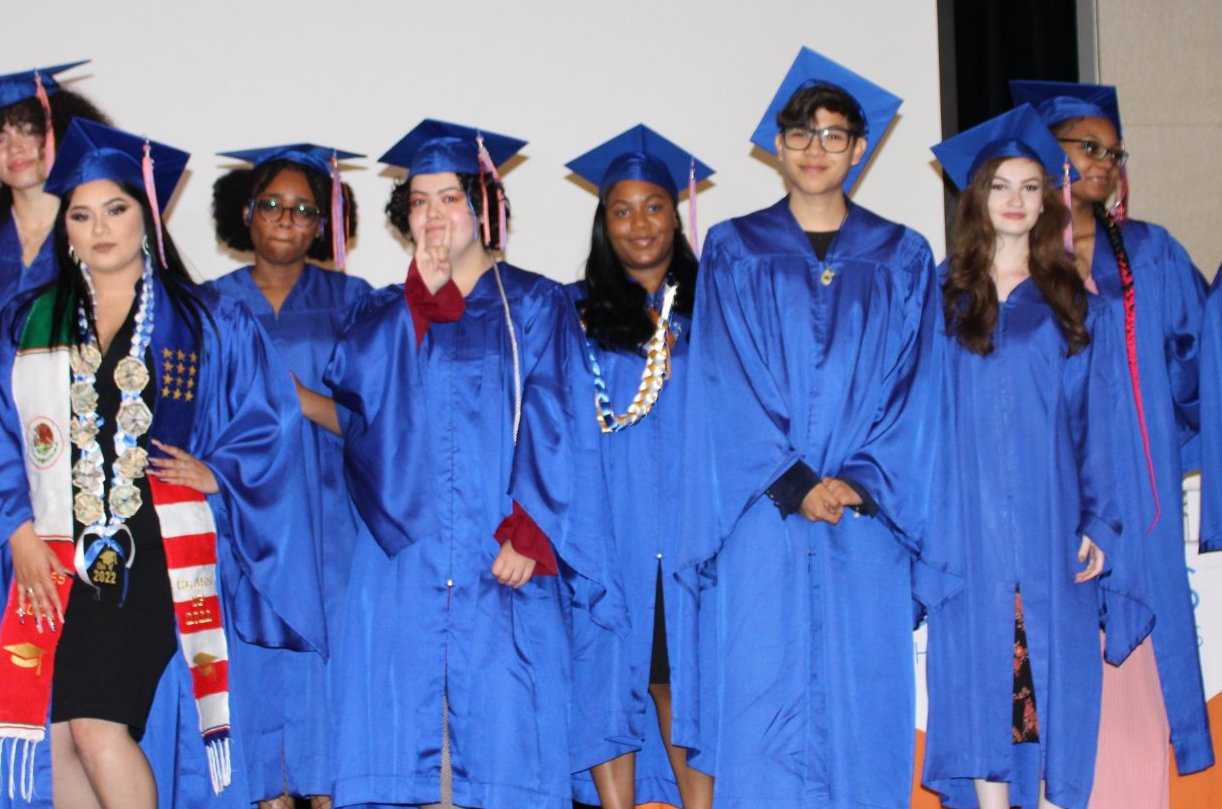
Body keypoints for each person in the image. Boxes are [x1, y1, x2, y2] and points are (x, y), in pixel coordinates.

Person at [0, 119, 324, 808]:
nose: (99, 228)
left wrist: (221, 473)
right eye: (81, 215)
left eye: (115, 209)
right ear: (67, 229)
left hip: (151, 552)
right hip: (53, 554)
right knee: (58, 732)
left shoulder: (205, 320)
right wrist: (18, 531)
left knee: (96, 723)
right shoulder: (28, 321)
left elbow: (271, 420)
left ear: (146, 215)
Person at [672, 48, 949, 808]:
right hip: (765, 512)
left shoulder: (903, 255)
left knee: (866, 708)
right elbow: (722, 382)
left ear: (859, 149)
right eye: (801, 134)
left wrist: (858, 479)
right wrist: (796, 481)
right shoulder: (732, 250)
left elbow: (917, 389)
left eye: (834, 135)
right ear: (777, 147)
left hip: (867, 519)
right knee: (764, 705)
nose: (817, 149)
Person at [323, 119, 628, 809]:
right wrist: (416, 304)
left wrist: (532, 524)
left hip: (504, 558)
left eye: (451, 197)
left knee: (503, 739)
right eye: (421, 201)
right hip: (408, 563)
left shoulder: (536, 303)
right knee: (407, 745)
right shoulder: (384, 308)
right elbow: (355, 390)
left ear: (485, 205)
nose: (435, 214)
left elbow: (563, 417)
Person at [922, 105, 1151, 809]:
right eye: (1000, 186)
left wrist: (1104, 522)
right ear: (977, 198)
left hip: (1052, 535)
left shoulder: (1075, 305)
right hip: (968, 537)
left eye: (1029, 186)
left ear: (1048, 198)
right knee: (981, 684)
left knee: (1051, 691)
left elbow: (1103, 425)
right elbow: (920, 428)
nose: (1015, 200)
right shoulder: (938, 300)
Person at [1011, 80, 1214, 807]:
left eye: (1113, 151)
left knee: (1132, 693)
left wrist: (1160, 446)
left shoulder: (1152, 254)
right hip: (1037, 499)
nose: (1105, 162)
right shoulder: (1010, 256)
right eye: (1086, 147)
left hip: (1134, 500)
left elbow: (1197, 366)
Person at [208, 144, 370, 809]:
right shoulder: (207, 305)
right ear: (245, 213)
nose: (286, 218)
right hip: (235, 519)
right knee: (249, 675)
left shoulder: (356, 303)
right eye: (271, 203)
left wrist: (293, 396)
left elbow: (377, 421)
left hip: (326, 521)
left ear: (322, 223)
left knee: (323, 683)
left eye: (304, 209)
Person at [564, 124, 715, 809]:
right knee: (606, 676)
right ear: (604, 223)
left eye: (653, 205)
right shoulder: (574, 313)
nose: (639, 223)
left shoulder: (719, 308)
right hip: (609, 525)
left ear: (675, 214)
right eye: (620, 210)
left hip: (691, 529)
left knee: (681, 683)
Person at [0, 61, 109, 612]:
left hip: (87, 500)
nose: (13, 145)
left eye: (28, 127)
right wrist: (14, 525)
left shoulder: (106, 244)